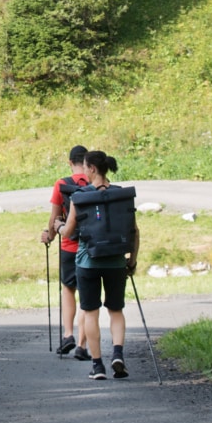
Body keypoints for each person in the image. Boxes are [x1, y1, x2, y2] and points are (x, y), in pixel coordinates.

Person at [63, 149, 137, 380]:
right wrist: (132, 261)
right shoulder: (121, 195)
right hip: (115, 261)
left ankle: (97, 366)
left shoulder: (80, 196)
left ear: (92, 169)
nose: (84, 171)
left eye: (85, 167)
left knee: (91, 312)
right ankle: (117, 353)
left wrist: (56, 226)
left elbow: (68, 230)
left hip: (88, 262)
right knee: (116, 310)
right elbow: (133, 231)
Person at [43, 144, 90, 358]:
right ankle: (82, 344)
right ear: (89, 163)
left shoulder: (62, 184)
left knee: (68, 289)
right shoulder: (94, 183)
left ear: (70, 162)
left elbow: (55, 216)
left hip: (68, 245)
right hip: (91, 247)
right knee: (87, 296)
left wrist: (50, 235)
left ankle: (68, 334)